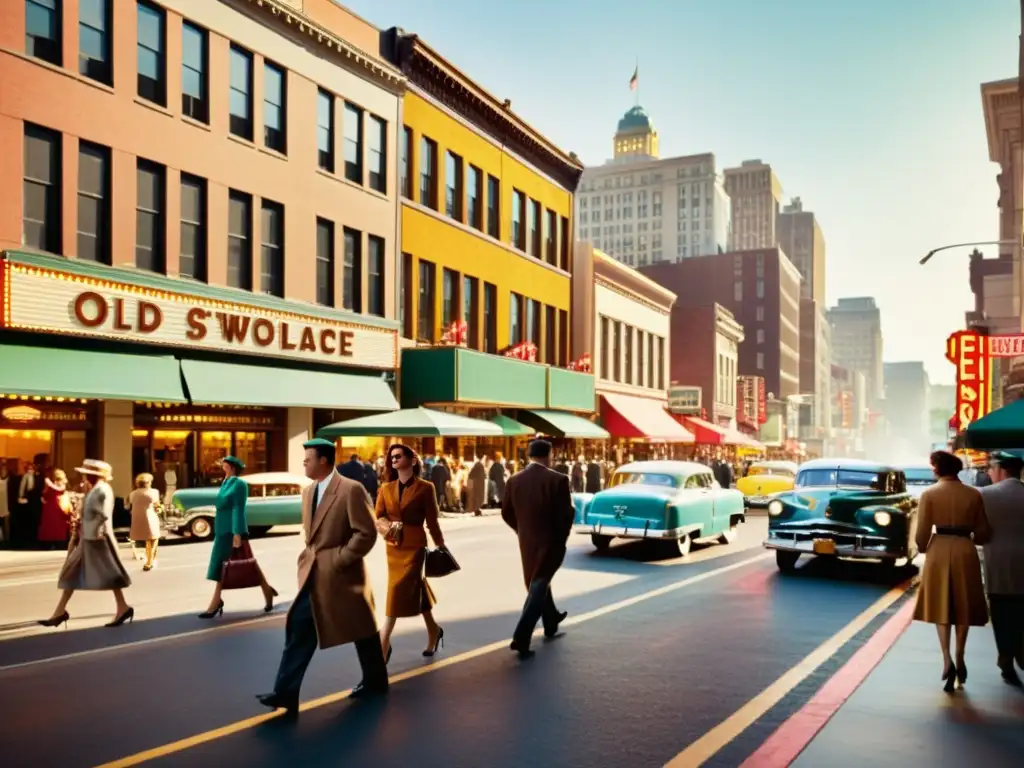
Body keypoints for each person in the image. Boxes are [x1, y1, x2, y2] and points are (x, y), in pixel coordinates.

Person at [257, 438, 388, 714]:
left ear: (324, 461)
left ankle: (375, 681)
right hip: (314, 574)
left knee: (363, 629)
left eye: (308, 459)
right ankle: (285, 694)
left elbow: (366, 532)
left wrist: (341, 558)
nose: (304, 463)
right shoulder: (308, 492)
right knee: (300, 627)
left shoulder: (351, 489)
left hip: (342, 574)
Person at [913, 450, 992, 692]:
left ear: (937, 468)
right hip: (964, 549)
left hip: (939, 550)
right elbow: (983, 532)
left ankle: (946, 658)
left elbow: (922, 533)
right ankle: (960, 654)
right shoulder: (973, 495)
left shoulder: (929, 494)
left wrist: (923, 547)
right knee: (963, 604)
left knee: (942, 604)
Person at [38, 460, 133, 628]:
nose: (85, 475)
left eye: (88, 473)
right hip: (88, 538)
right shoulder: (95, 489)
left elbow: (102, 514)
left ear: (96, 475)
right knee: (71, 572)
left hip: (97, 539)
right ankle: (59, 611)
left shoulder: (101, 490)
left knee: (110, 574)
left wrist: (93, 530)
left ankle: (122, 607)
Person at [501, 438, 573, 658]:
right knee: (539, 583)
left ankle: (551, 620)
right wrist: (561, 538)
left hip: (527, 541)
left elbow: (506, 512)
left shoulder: (514, 480)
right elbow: (566, 514)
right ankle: (521, 637)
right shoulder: (558, 479)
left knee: (537, 580)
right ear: (549, 455)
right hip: (550, 541)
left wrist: (521, 530)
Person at [375, 443, 447, 662]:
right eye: (391, 457)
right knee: (416, 589)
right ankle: (434, 630)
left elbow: (432, 522)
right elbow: (378, 516)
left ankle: (383, 645)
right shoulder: (385, 488)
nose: (394, 459)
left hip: (415, 546)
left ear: (412, 460)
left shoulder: (426, 488)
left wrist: (441, 545)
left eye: (398, 456)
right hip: (393, 547)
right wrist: (387, 526)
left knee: (397, 591)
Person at [199, 456, 277, 618]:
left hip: (232, 531)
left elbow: (238, 509)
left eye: (225, 465)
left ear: (233, 468)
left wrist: (237, 533)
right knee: (247, 564)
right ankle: (267, 590)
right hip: (222, 530)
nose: (222, 467)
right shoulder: (225, 482)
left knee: (224, 566)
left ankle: (215, 603)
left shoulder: (239, 484)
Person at [978, 451, 1024, 684]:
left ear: (1001, 470)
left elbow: (977, 531)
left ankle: (1005, 656)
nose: (988, 473)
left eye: (991, 469)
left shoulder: (985, 495)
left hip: (998, 565)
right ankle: (1020, 652)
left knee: (1001, 613)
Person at [128, 473, 162, 571]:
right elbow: (157, 505)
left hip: (137, 517)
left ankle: (150, 559)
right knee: (154, 538)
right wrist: (160, 509)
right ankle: (149, 561)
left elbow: (129, 504)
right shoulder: (154, 492)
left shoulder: (133, 493)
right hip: (149, 516)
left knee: (148, 539)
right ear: (149, 482)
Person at [37, 469, 70, 548]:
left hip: (56, 510)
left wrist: (50, 484)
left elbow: (58, 490)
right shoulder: (52, 486)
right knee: (53, 528)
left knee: (54, 528)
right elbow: (44, 496)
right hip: (53, 511)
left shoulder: (57, 486)